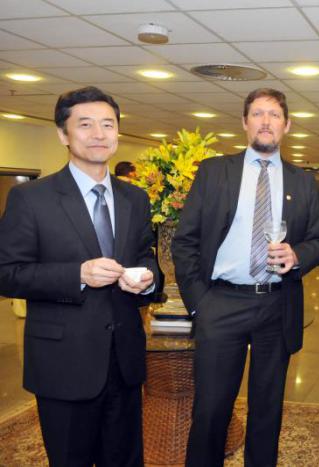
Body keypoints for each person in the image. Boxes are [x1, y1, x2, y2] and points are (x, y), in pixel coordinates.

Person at [0, 86, 157, 466]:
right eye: (85, 125)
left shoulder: (134, 198)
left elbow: (144, 256)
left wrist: (149, 279)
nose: (99, 134)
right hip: (64, 363)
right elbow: (7, 273)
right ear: (63, 134)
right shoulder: (31, 198)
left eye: (108, 124)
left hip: (124, 360)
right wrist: (78, 274)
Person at [171, 88, 319, 467]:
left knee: (267, 410)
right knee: (211, 409)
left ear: (287, 125)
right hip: (220, 303)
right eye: (257, 114)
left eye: (274, 115)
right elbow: (185, 241)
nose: (266, 122)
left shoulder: (303, 182)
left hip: (277, 304)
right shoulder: (214, 172)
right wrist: (199, 304)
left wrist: (297, 255)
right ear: (244, 122)